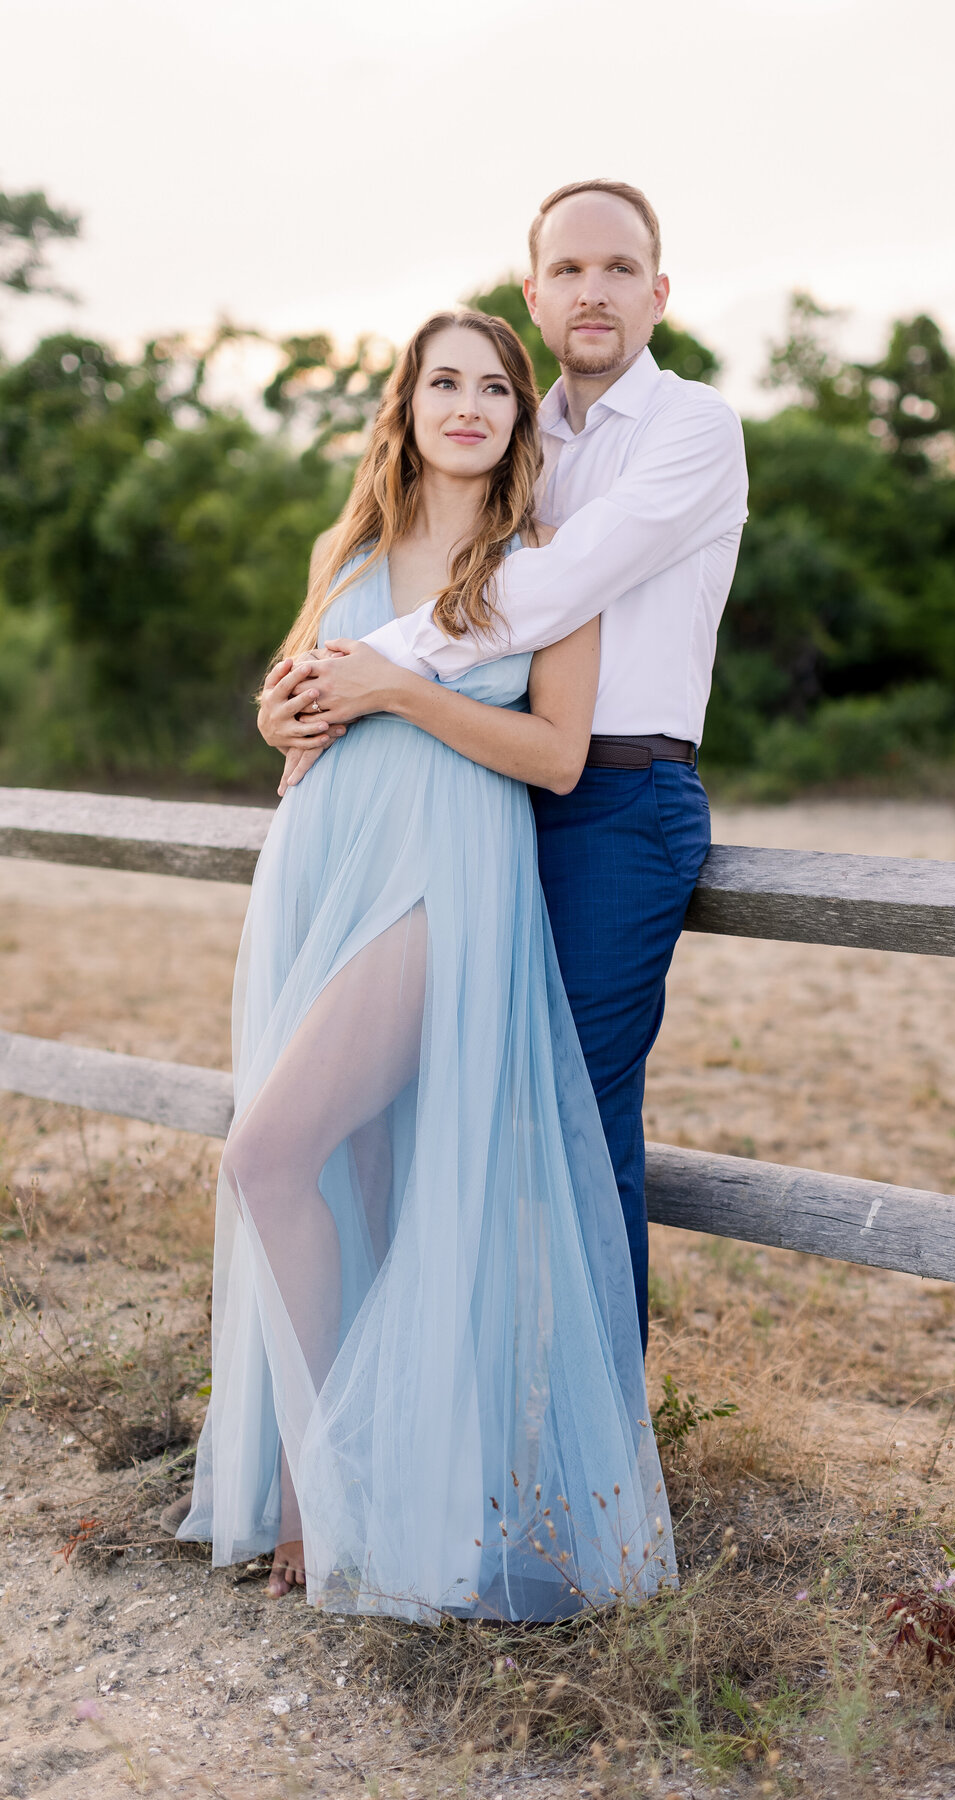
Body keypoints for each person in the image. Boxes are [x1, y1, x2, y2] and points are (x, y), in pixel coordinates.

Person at [179, 308, 673, 1619]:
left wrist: (400, 693)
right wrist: (279, 714)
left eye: (494, 387)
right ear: (403, 404)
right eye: (442, 382)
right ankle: (386, 1491)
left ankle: (317, 1497)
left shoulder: (549, 561)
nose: (468, 404)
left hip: (439, 879)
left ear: (521, 415)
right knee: (361, 1185)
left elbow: (558, 756)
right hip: (324, 867)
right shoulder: (346, 542)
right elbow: (299, 711)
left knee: (267, 1155)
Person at [260, 179, 749, 1351]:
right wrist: (295, 704)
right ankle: (429, 1429)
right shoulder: (530, 439)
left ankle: (600, 1469)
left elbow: (554, 589)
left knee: (567, 1118)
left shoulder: (691, 428)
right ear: (533, 294)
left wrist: (366, 669)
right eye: (570, 271)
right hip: (477, 807)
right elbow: (415, 562)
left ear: (658, 292)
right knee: (426, 1116)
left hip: (618, 798)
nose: (594, 290)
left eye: (620, 269)